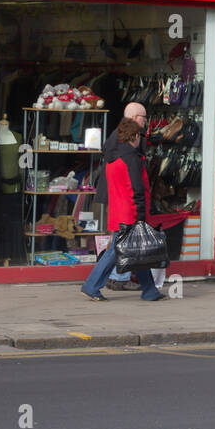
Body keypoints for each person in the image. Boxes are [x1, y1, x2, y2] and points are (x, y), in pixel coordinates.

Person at [81, 116, 166, 301]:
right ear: (134, 136)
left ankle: (150, 290)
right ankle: (92, 285)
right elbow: (137, 189)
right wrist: (141, 216)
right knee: (117, 252)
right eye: (139, 136)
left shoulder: (111, 159)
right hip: (130, 213)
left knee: (137, 251)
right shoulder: (132, 159)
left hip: (118, 211)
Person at [97, 102, 148, 292]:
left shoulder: (118, 136)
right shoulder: (125, 143)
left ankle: (129, 280)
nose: (145, 121)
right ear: (135, 118)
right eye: (144, 117)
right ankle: (115, 278)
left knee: (122, 241)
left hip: (119, 195)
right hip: (124, 197)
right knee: (120, 243)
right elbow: (132, 176)